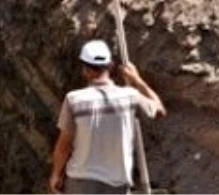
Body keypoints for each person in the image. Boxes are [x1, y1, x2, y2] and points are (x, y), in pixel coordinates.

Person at [50, 40, 165, 195]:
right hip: (117, 184)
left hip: (81, 182)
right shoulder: (130, 96)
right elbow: (159, 110)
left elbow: (63, 145)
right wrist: (137, 80)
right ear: (110, 66)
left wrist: (56, 174)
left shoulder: (74, 100)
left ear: (85, 69)